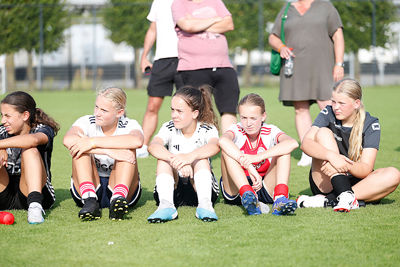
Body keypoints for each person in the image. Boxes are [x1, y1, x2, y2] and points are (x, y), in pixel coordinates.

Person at [297, 78, 400, 212]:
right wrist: (332, 157)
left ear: (356, 103)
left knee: (393, 174)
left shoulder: (371, 123)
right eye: (333, 101)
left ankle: (329, 200)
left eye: (341, 103)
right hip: (326, 180)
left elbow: (365, 169)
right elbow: (306, 143)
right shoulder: (328, 112)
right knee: (323, 133)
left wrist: (344, 164)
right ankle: (345, 196)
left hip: (357, 181)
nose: (336, 107)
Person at [268, 0, 345, 167]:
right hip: (293, 67)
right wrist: (281, 47)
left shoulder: (325, 6)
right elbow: (272, 36)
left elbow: (338, 35)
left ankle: (339, 147)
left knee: (328, 105)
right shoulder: (288, 8)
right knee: (300, 109)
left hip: (323, 66)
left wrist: (339, 63)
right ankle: (308, 152)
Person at [63, 87, 143, 221]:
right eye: (96, 107)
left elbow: (137, 141)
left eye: (104, 110)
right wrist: (107, 151)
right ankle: (90, 201)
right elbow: (68, 140)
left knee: (128, 149)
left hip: (122, 186)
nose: (97, 113)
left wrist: (92, 142)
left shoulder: (130, 124)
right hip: (89, 184)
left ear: (119, 112)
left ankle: (118, 199)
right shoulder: (86, 121)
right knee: (80, 149)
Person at [147, 85, 220, 223]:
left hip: (199, 188)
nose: (174, 115)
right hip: (174, 189)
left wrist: (189, 158)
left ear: (194, 113)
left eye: (179, 111)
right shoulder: (169, 127)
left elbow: (215, 146)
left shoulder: (206, 128)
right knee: (163, 160)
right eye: (172, 110)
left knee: (201, 160)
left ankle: (205, 206)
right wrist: (176, 161)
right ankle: (166, 206)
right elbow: (153, 146)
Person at [219, 93, 299, 216]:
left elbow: (292, 143)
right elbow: (222, 141)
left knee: (284, 150)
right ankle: (248, 195)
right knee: (226, 149)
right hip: (236, 189)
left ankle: (280, 199)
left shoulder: (270, 130)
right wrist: (249, 166)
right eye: (244, 118)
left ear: (263, 116)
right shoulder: (236, 129)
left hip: (263, 186)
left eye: (253, 118)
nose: (248, 123)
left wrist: (257, 157)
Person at [171, 0, 240, 133]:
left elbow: (229, 24)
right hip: (193, 67)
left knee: (229, 110)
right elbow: (187, 26)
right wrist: (215, 19)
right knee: (195, 111)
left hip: (223, 65)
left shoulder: (215, 1)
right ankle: (199, 150)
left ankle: (229, 149)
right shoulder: (178, 3)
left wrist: (196, 22)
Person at [0, 91, 58, 224]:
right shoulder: (2, 131)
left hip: (34, 193)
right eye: (2, 115)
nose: (3, 121)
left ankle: (35, 208)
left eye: (8, 116)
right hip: (4, 191)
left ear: (25, 115)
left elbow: (32, 140)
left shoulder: (42, 129)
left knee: (30, 149)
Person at [137, 0, 183, 158]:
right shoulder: (158, 2)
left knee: (189, 105)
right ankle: (143, 146)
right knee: (152, 106)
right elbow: (152, 30)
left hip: (186, 58)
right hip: (162, 61)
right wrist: (144, 57)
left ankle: (190, 144)